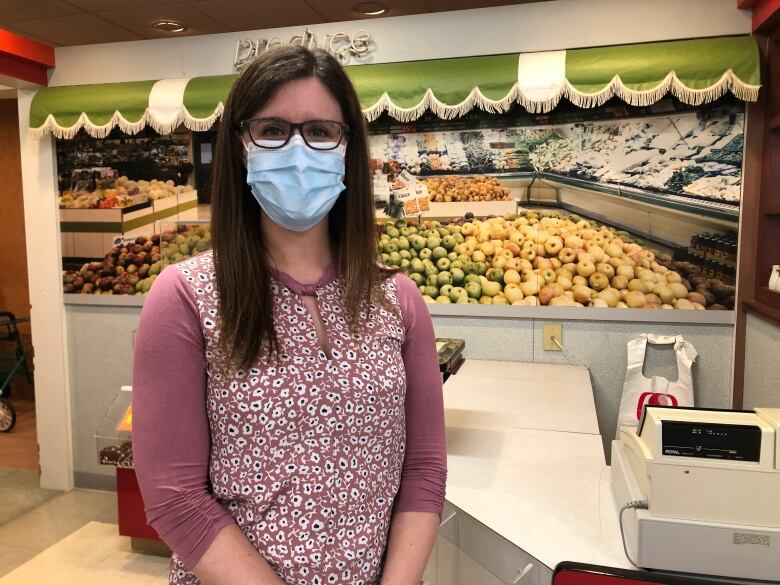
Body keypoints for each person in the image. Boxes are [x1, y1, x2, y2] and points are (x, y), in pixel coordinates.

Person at [132, 45, 447, 585]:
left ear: (347, 147)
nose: (298, 150)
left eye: (321, 131)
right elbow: (174, 497)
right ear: (239, 147)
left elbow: (422, 471)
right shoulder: (185, 297)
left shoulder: (398, 299)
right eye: (273, 129)